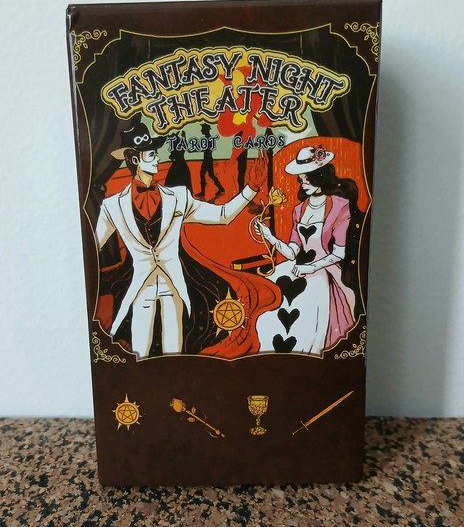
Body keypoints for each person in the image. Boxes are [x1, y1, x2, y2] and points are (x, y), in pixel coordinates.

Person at [96, 122, 266, 359]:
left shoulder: (178, 197)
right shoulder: (112, 206)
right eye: (151, 155)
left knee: (175, 352)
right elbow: (93, 247)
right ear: (135, 160)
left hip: (173, 286)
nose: (158, 158)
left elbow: (222, 215)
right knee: (140, 352)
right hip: (141, 289)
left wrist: (251, 188)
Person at [254, 144, 357, 356]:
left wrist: (310, 268)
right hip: (298, 267)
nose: (303, 184)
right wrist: (269, 236)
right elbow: (292, 251)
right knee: (271, 296)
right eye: (301, 179)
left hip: (325, 270)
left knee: (312, 301)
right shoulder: (299, 209)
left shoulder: (340, 206)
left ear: (320, 176)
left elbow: (339, 253)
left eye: (307, 178)